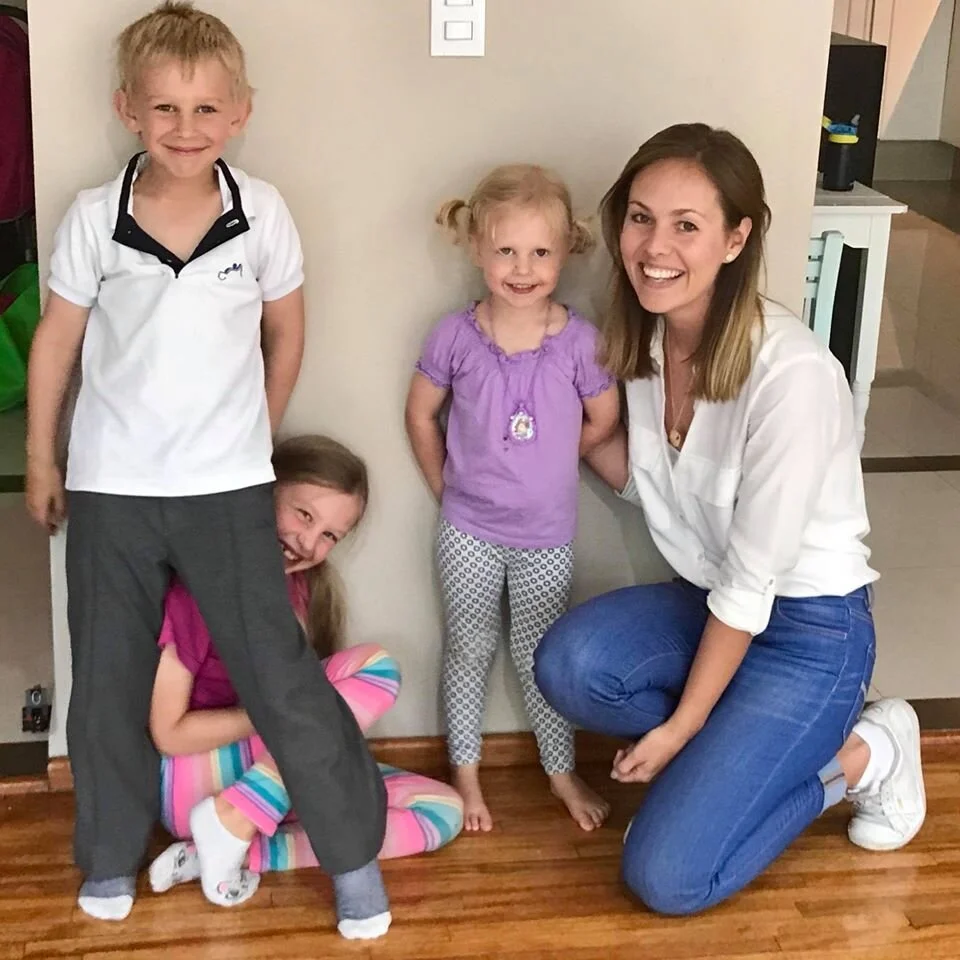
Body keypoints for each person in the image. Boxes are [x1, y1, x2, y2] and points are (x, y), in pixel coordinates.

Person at [24, 2, 389, 938]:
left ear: (240, 112)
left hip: (226, 490)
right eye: (164, 108)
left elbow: (286, 331)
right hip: (111, 487)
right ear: (127, 111)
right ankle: (110, 856)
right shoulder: (93, 218)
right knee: (107, 679)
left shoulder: (261, 213)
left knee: (278, 672)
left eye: (205, 109)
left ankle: (353, 861)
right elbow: (57, 341)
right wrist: (40, 458)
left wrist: (253, 439)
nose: (185, 128)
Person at [533, 123, 926, 915]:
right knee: (571, 665)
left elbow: (752, 587)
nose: (655, 246)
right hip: (708, 604)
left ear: (736, 239)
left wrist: (679, 731)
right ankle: (734, 758)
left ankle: (868, 752)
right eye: (640, 217)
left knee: (668, 878)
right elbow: (651, 485)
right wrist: (539, 421)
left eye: (687, 225)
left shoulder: (792, 375)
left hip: (810, 630)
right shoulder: (643, 343)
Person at [146, 435, 464, 907]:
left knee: (441, 811)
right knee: (376, 668)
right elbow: (168, 734)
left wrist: (295, 720)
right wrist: (277, 716)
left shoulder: (299, 592)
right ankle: (233, 817)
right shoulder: (199, 593)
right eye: (304, 515)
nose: (309, 543)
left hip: (259, 774)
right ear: (263, 492)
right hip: (195, 776)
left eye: (331, 535)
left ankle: (227, 846)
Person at [405, 164, 620, 832]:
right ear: (476, 248)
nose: (522, 269)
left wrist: (555, 461)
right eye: (505, 250)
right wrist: (444, 487)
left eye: (540, 252)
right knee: (468, 649)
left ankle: (560, 773)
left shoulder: (580, 344)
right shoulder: (454, 336)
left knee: (539, 656)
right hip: (467, 531)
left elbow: (604, 419)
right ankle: (465, 775)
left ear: (565, 252)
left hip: (546, 536)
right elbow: (420, 415)